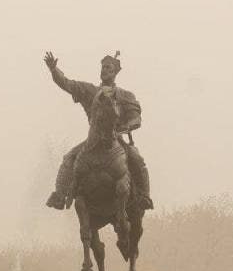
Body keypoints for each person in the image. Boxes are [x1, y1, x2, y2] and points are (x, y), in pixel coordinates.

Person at [43, 51, 153, 213]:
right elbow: (68, 84)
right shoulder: (90, 91)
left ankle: (144, 196)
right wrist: (54, 70)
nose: (104, 70)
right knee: (69, 158)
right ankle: (60, 195)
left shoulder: (125, 95)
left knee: (137, 159)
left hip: (116, 139)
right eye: (102, 67)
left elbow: (136, 119)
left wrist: (124, 129)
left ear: (115, 72)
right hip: (93, 140)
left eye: (108, 67)